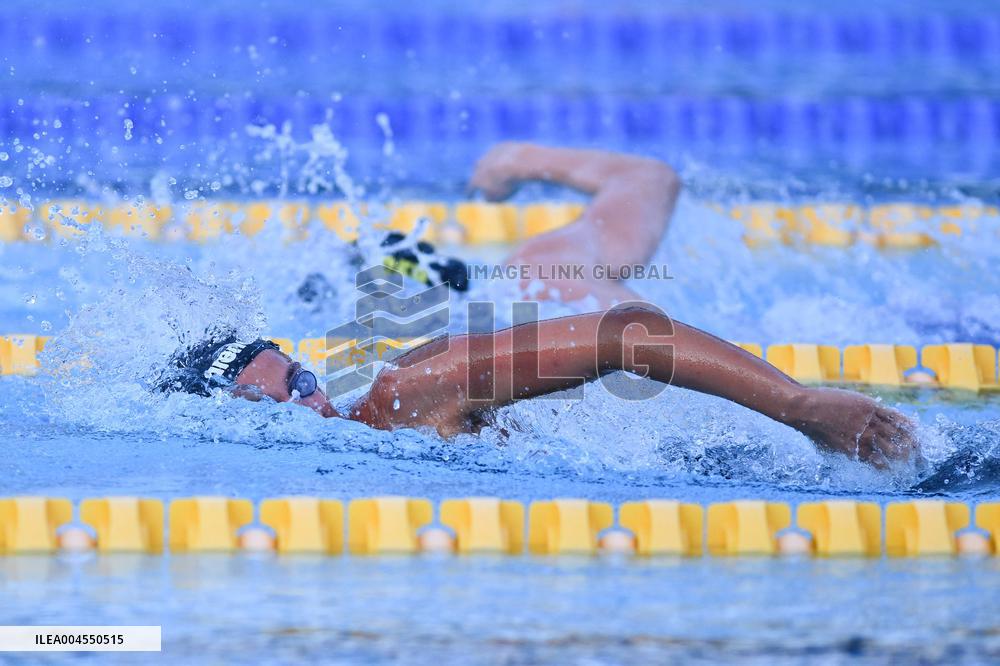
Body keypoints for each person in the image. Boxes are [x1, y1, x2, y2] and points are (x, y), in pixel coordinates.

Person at [157, 143, 918, 468]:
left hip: (567, 308)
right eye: (280, 407)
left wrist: (798, 406)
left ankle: (516, 160)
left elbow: (627, 332)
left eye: (300, 382)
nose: (313, 405)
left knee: (623, 206)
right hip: (524, 316)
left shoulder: (405, 394)